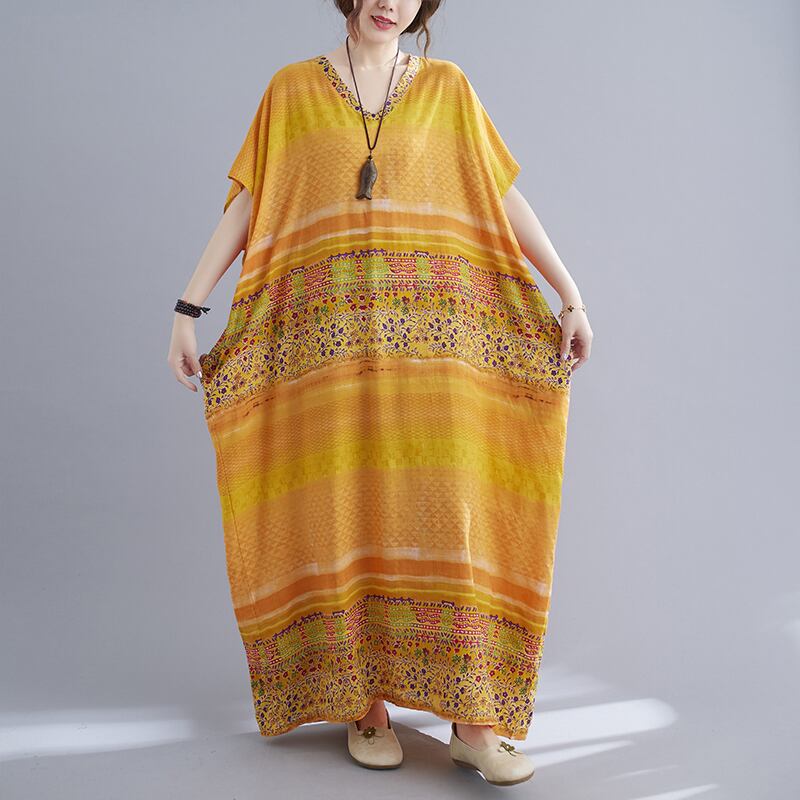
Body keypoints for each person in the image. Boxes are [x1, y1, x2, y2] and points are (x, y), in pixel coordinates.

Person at [167, 0, 592, 786]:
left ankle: (474, 723)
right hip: (329, 358)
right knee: (346, 513)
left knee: (451, 518)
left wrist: (568, 294)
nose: (388, 2)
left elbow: (499, 195)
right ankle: (365, 707)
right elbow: (253, 204)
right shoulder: (291, 91)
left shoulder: (449, 89)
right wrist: (189, 308)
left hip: (435, 358)